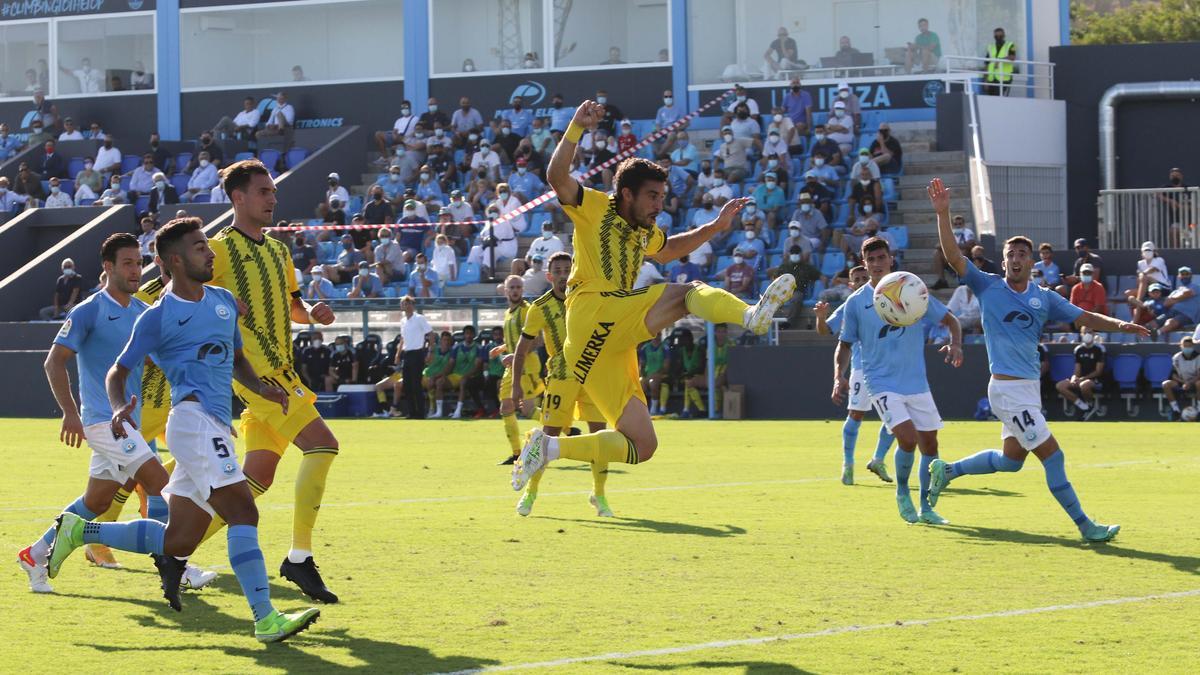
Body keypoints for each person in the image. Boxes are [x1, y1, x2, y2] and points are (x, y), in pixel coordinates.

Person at [45, 218, 321, 640]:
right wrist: (119, 407)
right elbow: (117, 373)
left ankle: (82, 530)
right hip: (191, 422)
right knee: (243, 510)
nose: (210, 253)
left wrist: (263, 388)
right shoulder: (156, 318)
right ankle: (265, 617)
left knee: (178, 540)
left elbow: (237, 359)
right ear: (175, 260)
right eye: (199, 248)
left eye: (207, 247)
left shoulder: (223, 301)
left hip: (212, 424)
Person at [511, 100, 796, 490]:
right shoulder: (595, 206)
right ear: (626, 194)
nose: (660, 205)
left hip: (598, 345)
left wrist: (714, 226)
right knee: (686, 292)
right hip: (593, 309)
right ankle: (751, 316)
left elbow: (670, 248)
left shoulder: (645, 231)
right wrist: (576, 127)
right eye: (653, 196)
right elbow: (557, 175)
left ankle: (547, 449)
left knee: (642, 444)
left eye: (663, 197)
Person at [926, 177, 1147, 542]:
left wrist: (1123, 324)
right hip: (1008, 390)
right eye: (1010, 254)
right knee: (1053, 456)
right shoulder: (988, 285)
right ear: (1004, 261)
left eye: (1021, 254)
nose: (1015, 259)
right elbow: (953, 257)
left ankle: (946, 471)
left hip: (1027, 391)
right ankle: (1085, 527)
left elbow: (1085, 318)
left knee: (1010, 462)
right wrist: (943, 213)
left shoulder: (1043, 298)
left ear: (1032, 262)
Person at [207, 160, 341, 603]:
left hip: (284, 369)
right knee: (323, 445)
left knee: (254, 483)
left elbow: (295, 307)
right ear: (238, 198)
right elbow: (177, 290)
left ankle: (172, 544)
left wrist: (314, 314)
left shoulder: (279, 252)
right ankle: (299, 557)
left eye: (272, 192)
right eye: (263, 192)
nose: (272, 199)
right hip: (256, 375)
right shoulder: (216, 250)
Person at [18, 234, 168, 594]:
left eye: (139, 262)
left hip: (129, 422)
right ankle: (175, 564)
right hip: (103, 421)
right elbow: (54, 362)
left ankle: (35, 554)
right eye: (128, 263)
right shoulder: (88, 310)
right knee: (162, 485)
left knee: (96, 501)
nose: (136, 270)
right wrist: (70, 413)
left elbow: (165, 363)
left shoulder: (141, 314)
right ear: (109, 267)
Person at [834, 237, 962, 522]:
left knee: (931, 445)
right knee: (907, 438)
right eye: (872, 260)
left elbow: (951, 320)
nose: (877, 264)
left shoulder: (911, 289)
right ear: (864, 264)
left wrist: (956, 344)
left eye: (882, 258)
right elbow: (844, 344)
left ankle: (927, 508)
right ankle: (902, 493)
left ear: (891, 259)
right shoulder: (855, 303)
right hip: (880, 382)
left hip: (916, 383)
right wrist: (838, 376)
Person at [509, 252, 612, 513]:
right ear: (549, 275)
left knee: (600, 436)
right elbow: (522, 348)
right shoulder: (540, 307)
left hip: (593, 376)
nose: (564, 274)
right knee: (548, 436)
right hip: (560, 378)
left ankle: (599, 495)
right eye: (559, 270)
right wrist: (515, 386)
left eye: (568, 269)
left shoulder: (588, 299)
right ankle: (531, 493)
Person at [815, 265, 895, 485]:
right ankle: (848, 464)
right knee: (856, 415)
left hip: (890, 368)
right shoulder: (849, 306)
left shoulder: (886, 300)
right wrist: (821, 317)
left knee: (897, 418)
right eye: (856, 279)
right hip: (863, 368)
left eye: (863, 277)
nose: (860, 281)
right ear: (850, 285)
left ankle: (878, 459)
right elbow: (825, 331)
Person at [395, 295, 433, 419]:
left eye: (408, 304)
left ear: (412, 305)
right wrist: (398, 354)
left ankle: (421, 413)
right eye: (403, 304)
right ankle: (412, 412)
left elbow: (430, 333)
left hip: (417, 353)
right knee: (407, 384)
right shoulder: (403, 321)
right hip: (407, 354)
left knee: (416, 384)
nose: (405, 306)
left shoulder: (419, 318)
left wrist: (430, 351)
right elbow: (402, 338)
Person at [1055, 327, 1105, 420]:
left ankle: (1091, 404)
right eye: (1085, 332)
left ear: (1094, 334)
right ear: (1081, 334)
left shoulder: (1099, 349)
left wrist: (1083, 378)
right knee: (1060, 386)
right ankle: (1084, 407)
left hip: (1095, 380)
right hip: (1081, 379)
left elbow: (1098, 371)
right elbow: (1077, 370)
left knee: (1084, 385)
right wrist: (1074, 378)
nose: (1087, 334)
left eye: (1090, 332)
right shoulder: (1078, 349)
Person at [445, 325, 486, 420]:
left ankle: (458, 411)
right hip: (456, 375)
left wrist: (466, 376)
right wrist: (443, 375)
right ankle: (435, 411)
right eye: (466, 333)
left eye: (470, 333)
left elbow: (477, 366)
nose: (468, 336)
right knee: (439, 382)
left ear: (474, 335)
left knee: (463, 382)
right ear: (464, 335)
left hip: (472, 376)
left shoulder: (479, 348)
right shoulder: (456, 348)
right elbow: (451, 363)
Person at [1163, 335, 1200, 420]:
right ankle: (1176, 410)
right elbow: (1173, 375)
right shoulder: (1176, 357)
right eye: (1185, 346)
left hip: (1194, 381)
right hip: (1181, 381)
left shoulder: (1199, 357)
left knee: (1199, 383)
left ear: (1193, 346)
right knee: (1166, 384)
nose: (1187, 348)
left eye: (1189, 346)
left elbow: (1199, 374)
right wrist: (1184, 382)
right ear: (1181, 346)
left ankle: (1199, 410)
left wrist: (1189, 383)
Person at [1160, 266, 1199, 335]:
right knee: (1153, 322)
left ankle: (1157, 334)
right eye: (1182, 274)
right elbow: (1166, 303)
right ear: (1179, 276)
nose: (1184, 276)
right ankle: (1148, 334)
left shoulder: (1196, 287)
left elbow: (1187, 293)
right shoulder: (1176, 291)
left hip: (1187, 315)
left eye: (1187, 274)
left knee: (1170, 322)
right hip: (1171, 312)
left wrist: (1174, 299)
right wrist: (1181, 297)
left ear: (1191, 276)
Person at [641, 332, 672, 417]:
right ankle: (641, 410)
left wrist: (658, 373)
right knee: (640, 385)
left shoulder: (665, 348)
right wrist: (643, 376)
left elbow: (666, 366)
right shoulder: (645, 348)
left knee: (653, 383)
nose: (657, 336)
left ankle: (654, 409)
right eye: (655, 334)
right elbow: (642, 365)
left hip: (661, 375)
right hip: (648, 375)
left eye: (659, 334)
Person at [983, 27, 1017, 97]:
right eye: (996, 36)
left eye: (1000, 36)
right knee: (991, 99)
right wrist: (985, 80)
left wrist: (1000, 60)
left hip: (1003, 78)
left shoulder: (1010, 45)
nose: (998, 37)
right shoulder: (990, 47)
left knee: (997, 98)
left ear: (1004, 36)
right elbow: (987, 64)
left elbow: (1012, 57)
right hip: (991, 79)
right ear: (994, 37)